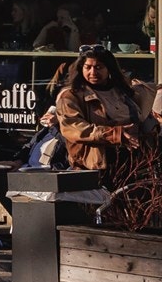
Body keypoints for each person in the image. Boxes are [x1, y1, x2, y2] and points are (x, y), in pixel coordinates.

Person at [55, 45, 159, 185]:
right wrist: (113, 134)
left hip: (133, 162)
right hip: (96, 166)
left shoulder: (122, 91)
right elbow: (73, 128)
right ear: (81, 68)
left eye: (99, 67)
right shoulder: (71, 96)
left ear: (109, 68)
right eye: (88, 67)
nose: (93, 72)